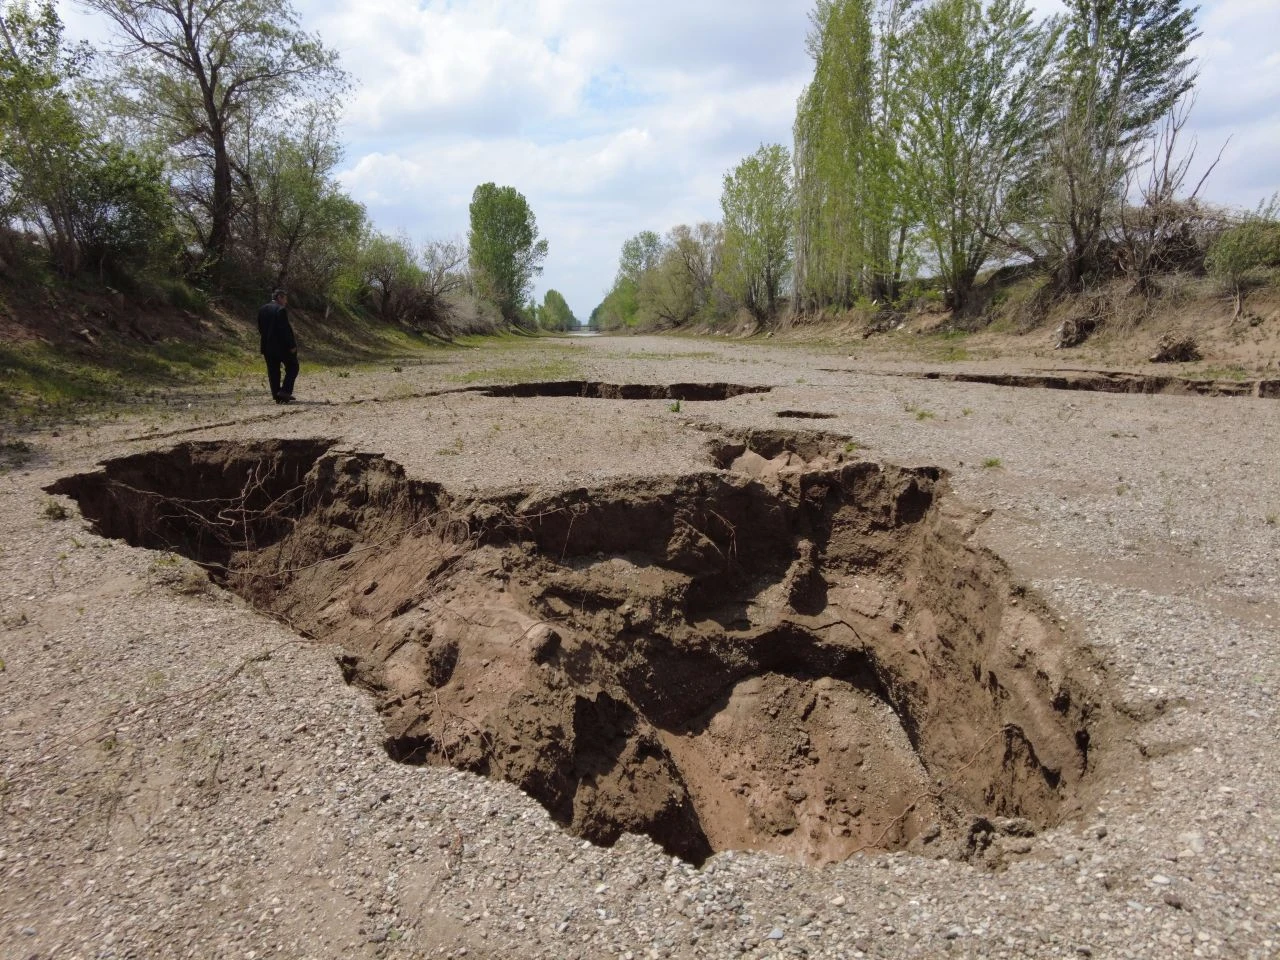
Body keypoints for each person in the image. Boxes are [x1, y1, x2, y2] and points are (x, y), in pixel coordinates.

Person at [257, 289, 298, 403]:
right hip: (282, 347)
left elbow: (260, 328)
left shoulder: (262, 309)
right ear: (279, 297)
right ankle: (285, 391)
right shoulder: (280, 310)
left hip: (267, 346)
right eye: (285, 299)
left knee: (273, 371)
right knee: (293, 366)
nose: (286, 302)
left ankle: (277, 395)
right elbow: (285, 329)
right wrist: (292, 345)